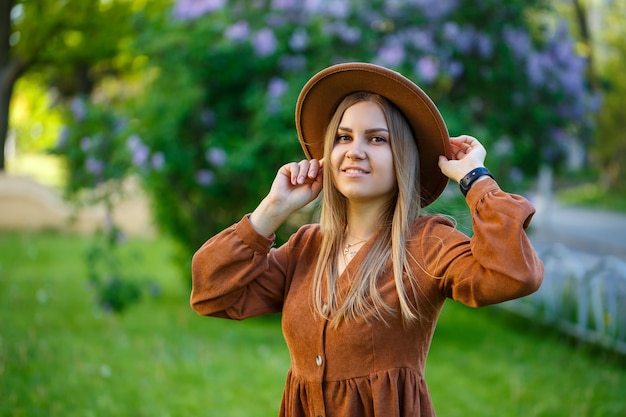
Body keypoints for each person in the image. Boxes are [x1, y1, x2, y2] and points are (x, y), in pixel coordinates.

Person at [190, 62, 544, 417]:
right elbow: (211, 293)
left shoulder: (426, 244)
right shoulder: (306, 247)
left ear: (402, 157)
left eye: (377, 139)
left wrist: (475, 180)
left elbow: (513, 274)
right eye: (343, 137)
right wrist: (271, 210)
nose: (354, 151)